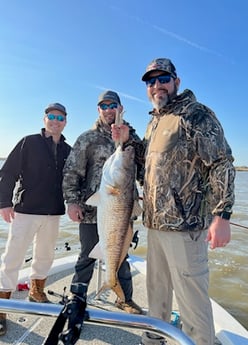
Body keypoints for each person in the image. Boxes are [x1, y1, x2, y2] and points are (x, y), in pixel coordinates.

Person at [112, 58, 235, 345]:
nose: (157, 86)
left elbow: (221, 163)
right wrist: (130, 140)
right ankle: (154, 340)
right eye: (151, 81)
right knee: (157, 295)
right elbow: (148, 165)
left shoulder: (197, 115)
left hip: (186, 229)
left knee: (192, 303)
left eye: (163, 79)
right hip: (155, 225)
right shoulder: (153, 122)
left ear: (176, 81)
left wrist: (222, 215)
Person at [62, 90, 143, 315]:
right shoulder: (87, 138)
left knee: (121, 256)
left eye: (113, 105)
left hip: (123, 210)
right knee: (87, 255)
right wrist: (72, 201)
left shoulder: (132, 138)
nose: (108, 110)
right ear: (99, 110)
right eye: (104, 106)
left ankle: (124, 298)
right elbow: (72, 172)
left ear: (120, 107)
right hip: (90, 210)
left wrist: (127, 140)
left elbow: (146, 167)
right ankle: (77, 299)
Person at [0, 102, 71, 336]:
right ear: (44, 119)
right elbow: (8, 172)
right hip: (26, 210)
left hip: (53, 212)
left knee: (45, 255)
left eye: (60, 118)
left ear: (65, 122)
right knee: (12, 258)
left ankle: (36, 291)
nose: (55, 121)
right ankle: (1, 306)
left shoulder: (67, 150)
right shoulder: (28, 142)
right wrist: (4, 203)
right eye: (51, 116)